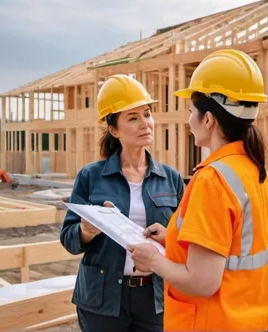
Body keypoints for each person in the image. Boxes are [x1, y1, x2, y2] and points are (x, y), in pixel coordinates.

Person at [127, 49, 268, 331]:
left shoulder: (214, 180)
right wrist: (171, 239)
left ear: (208, 119)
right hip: (253, 320)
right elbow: (232, 248)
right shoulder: (257, 172)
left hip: (215, 322)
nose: (188, 121)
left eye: (190, 112)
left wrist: (154, 261)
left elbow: (202, 282)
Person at [60, 74, 185, 332]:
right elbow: (68, 239)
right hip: (101, 299)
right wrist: (85, 231)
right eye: (133, 117)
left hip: (155, 298)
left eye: (147, 114)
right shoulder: (90, 176)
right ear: (113, 130)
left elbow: (186, 239)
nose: (145, 124)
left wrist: (169, 236)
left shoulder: (171, 179)